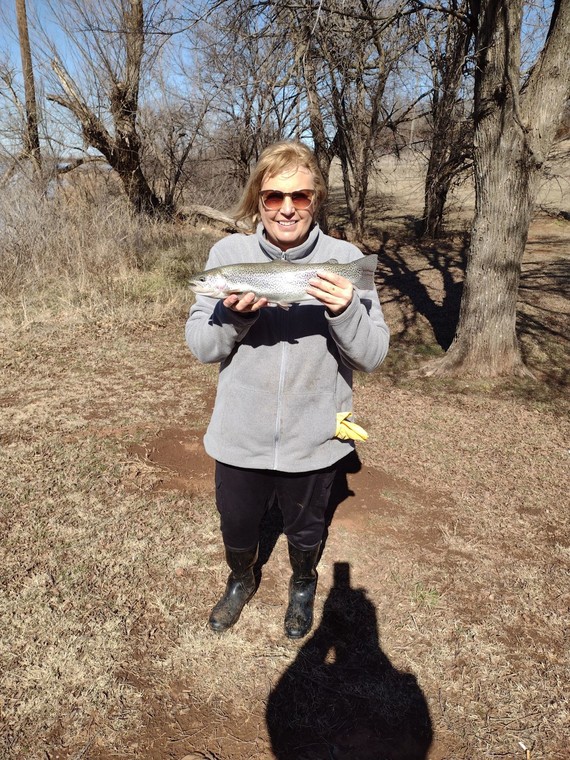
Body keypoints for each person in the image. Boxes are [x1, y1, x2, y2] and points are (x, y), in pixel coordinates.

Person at [185, 141, 389, 639]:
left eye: (299, 196)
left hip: (313, 436)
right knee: (236, 523)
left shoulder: (346, 260)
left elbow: (372, 355)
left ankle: (302, 582)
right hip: (239, 432)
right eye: (274, 197)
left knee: (305, 527)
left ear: (315, 199)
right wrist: (232, 316)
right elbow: (202, 346)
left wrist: (345, 310)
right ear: (258, 200)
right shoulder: (227, 256)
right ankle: (240, 578)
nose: (287, 208)